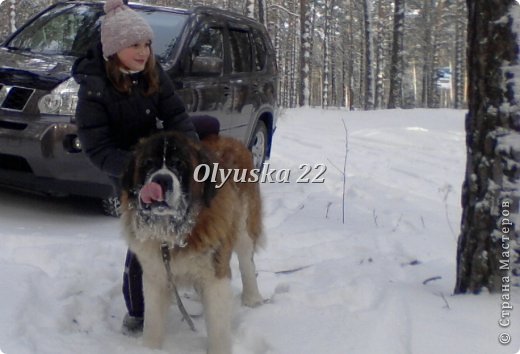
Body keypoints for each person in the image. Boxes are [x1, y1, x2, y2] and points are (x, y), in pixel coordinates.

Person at [72, 0, 218, 335]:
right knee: (144, 230)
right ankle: (138, 308)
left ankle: (187, 272)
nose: (143, 52)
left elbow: (177, 115)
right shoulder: (94, 87)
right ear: (114, 49)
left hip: (159, 157)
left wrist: (191, 152)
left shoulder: (152, 71)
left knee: (183, 212)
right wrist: (138, 173)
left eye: (147, 44)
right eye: (134, 45)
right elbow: (97, 148)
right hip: (125, 166)